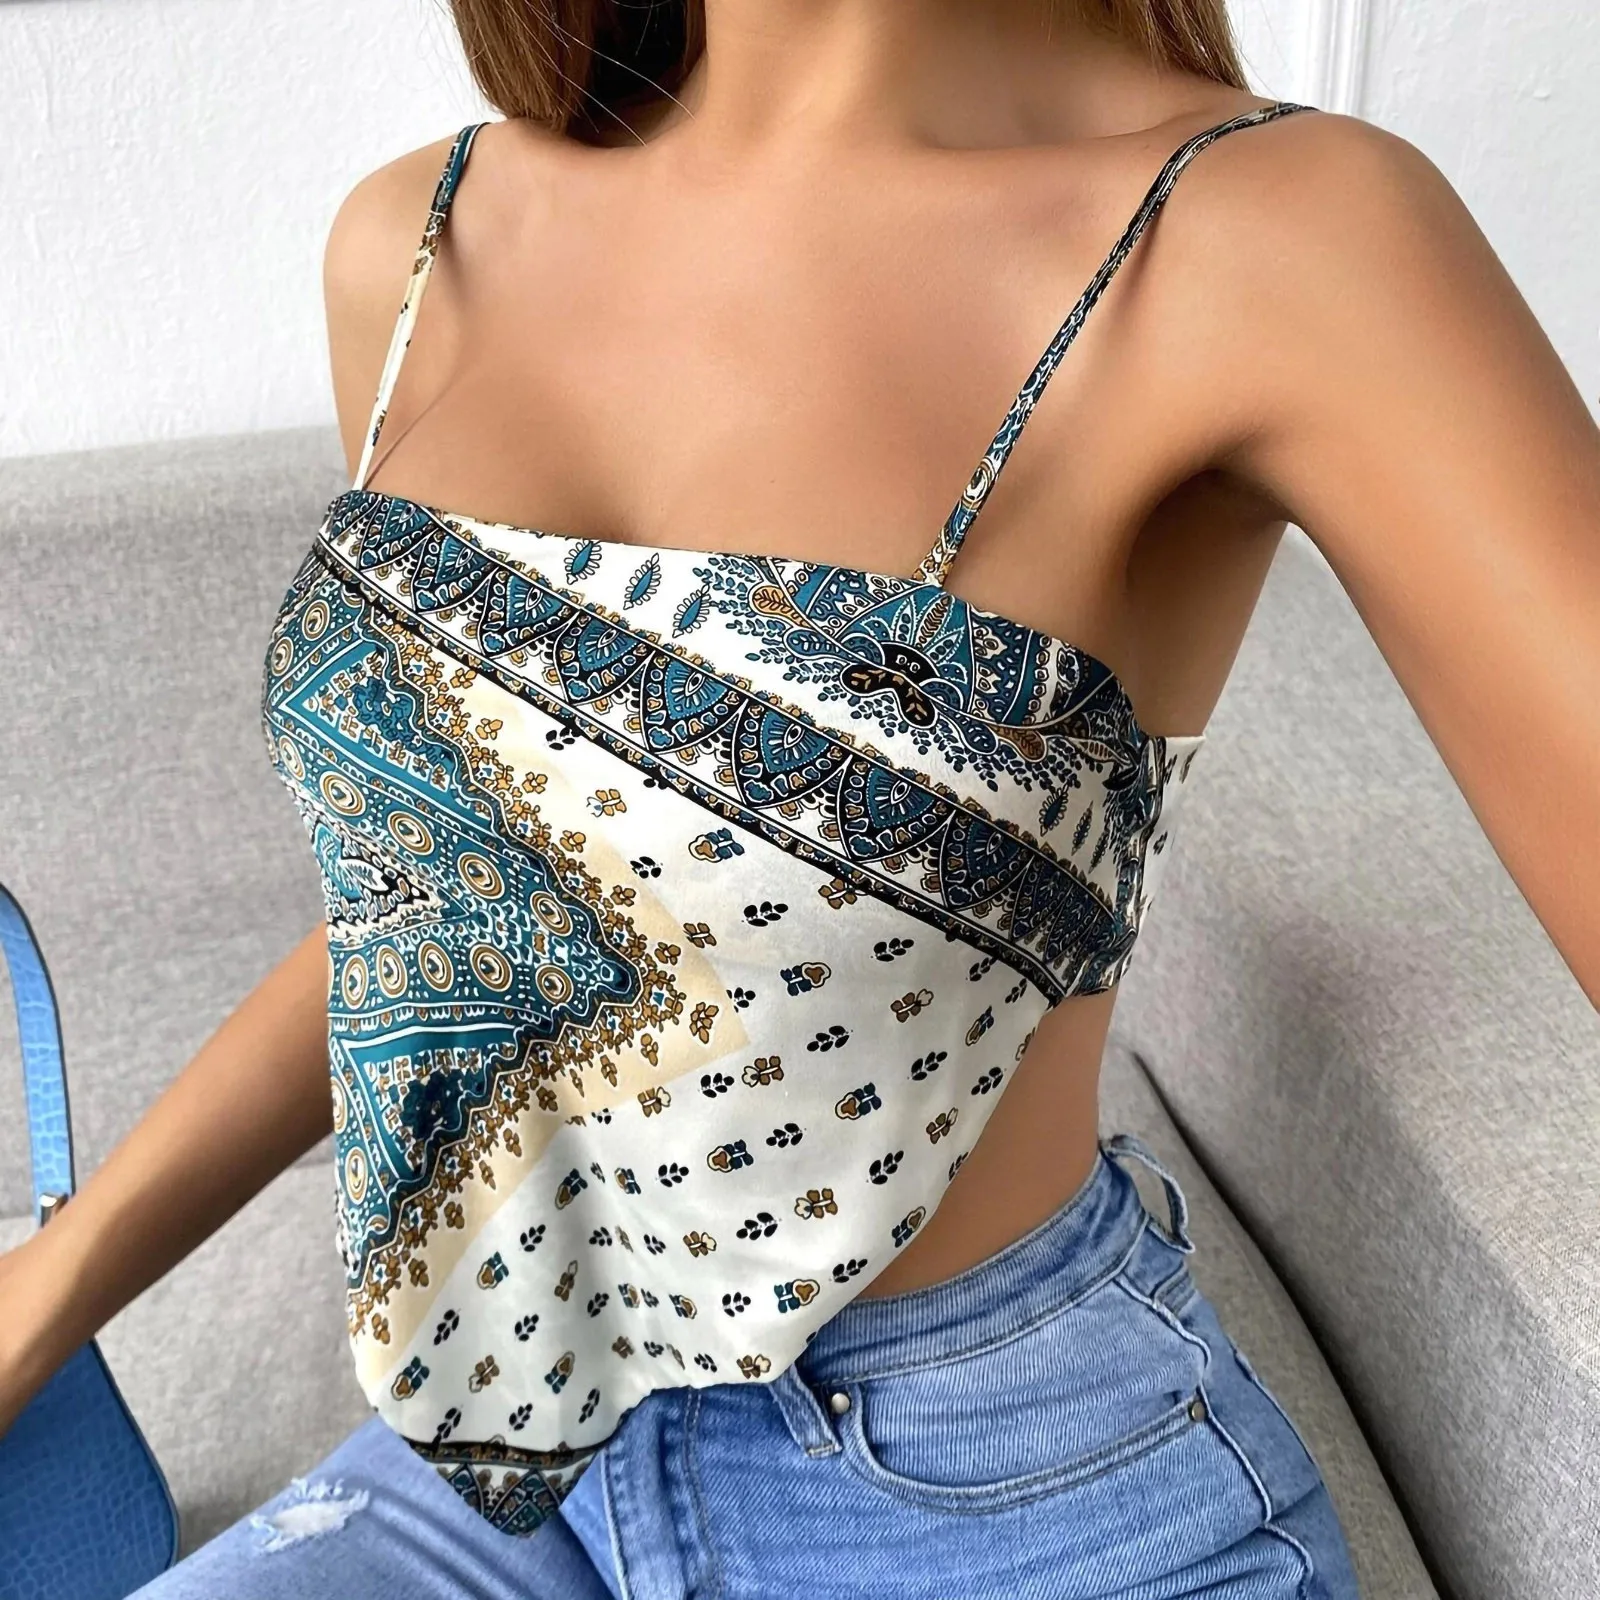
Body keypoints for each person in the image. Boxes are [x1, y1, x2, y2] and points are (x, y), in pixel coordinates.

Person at [4, 2, 1597, 1596]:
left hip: (1007, 1497)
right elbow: (488, 906)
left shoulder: (1263, 239)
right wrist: (41, 1303)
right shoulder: (419, 243)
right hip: (518, 1455)